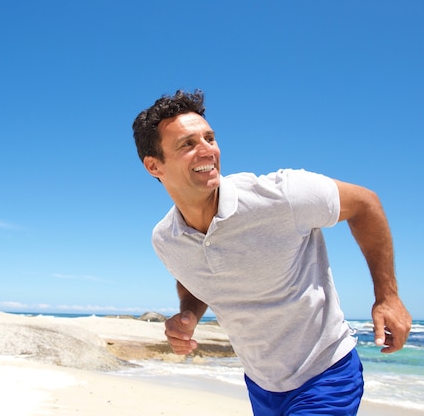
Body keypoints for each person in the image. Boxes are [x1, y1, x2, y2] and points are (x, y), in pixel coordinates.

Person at [132, 90, 412, 415]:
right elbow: (195, 277)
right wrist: (190, 314)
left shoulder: (282, 196)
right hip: (261, 384)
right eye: (187, 144)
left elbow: (365, 203)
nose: (207, 149)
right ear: (154, 165)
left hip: (326, 375)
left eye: (209, 137)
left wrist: (388, 296)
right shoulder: (166, 239)